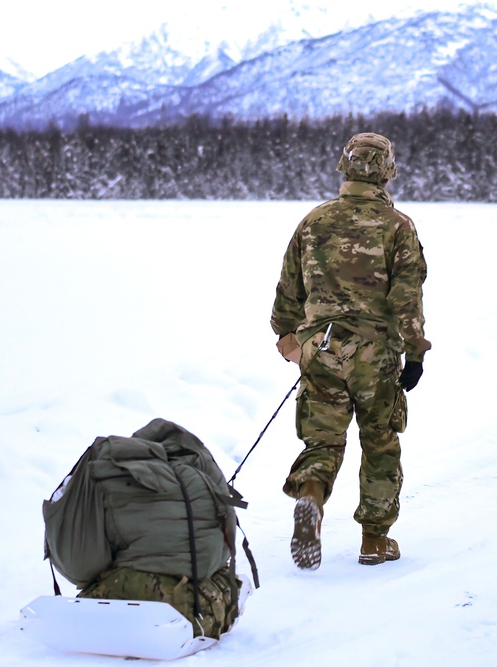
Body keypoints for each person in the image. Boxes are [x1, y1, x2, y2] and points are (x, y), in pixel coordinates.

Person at [270, 132, 430, 570]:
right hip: (374, 356)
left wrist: (289, 339)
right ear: (387, 171)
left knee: (322, 439)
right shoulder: (398, 227)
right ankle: (375, 541)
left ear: (345, 167)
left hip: (319, 350)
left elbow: (289, 289)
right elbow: (406, 299)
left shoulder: (314, 221)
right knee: (378, 441)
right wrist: (415, 352)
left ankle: (310, 498)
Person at [42, 418, 249, 639]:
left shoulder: (111, 475)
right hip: (210, 606)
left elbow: (80, 564)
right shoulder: (203, 465)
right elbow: (226, 546)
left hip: (145, 603)